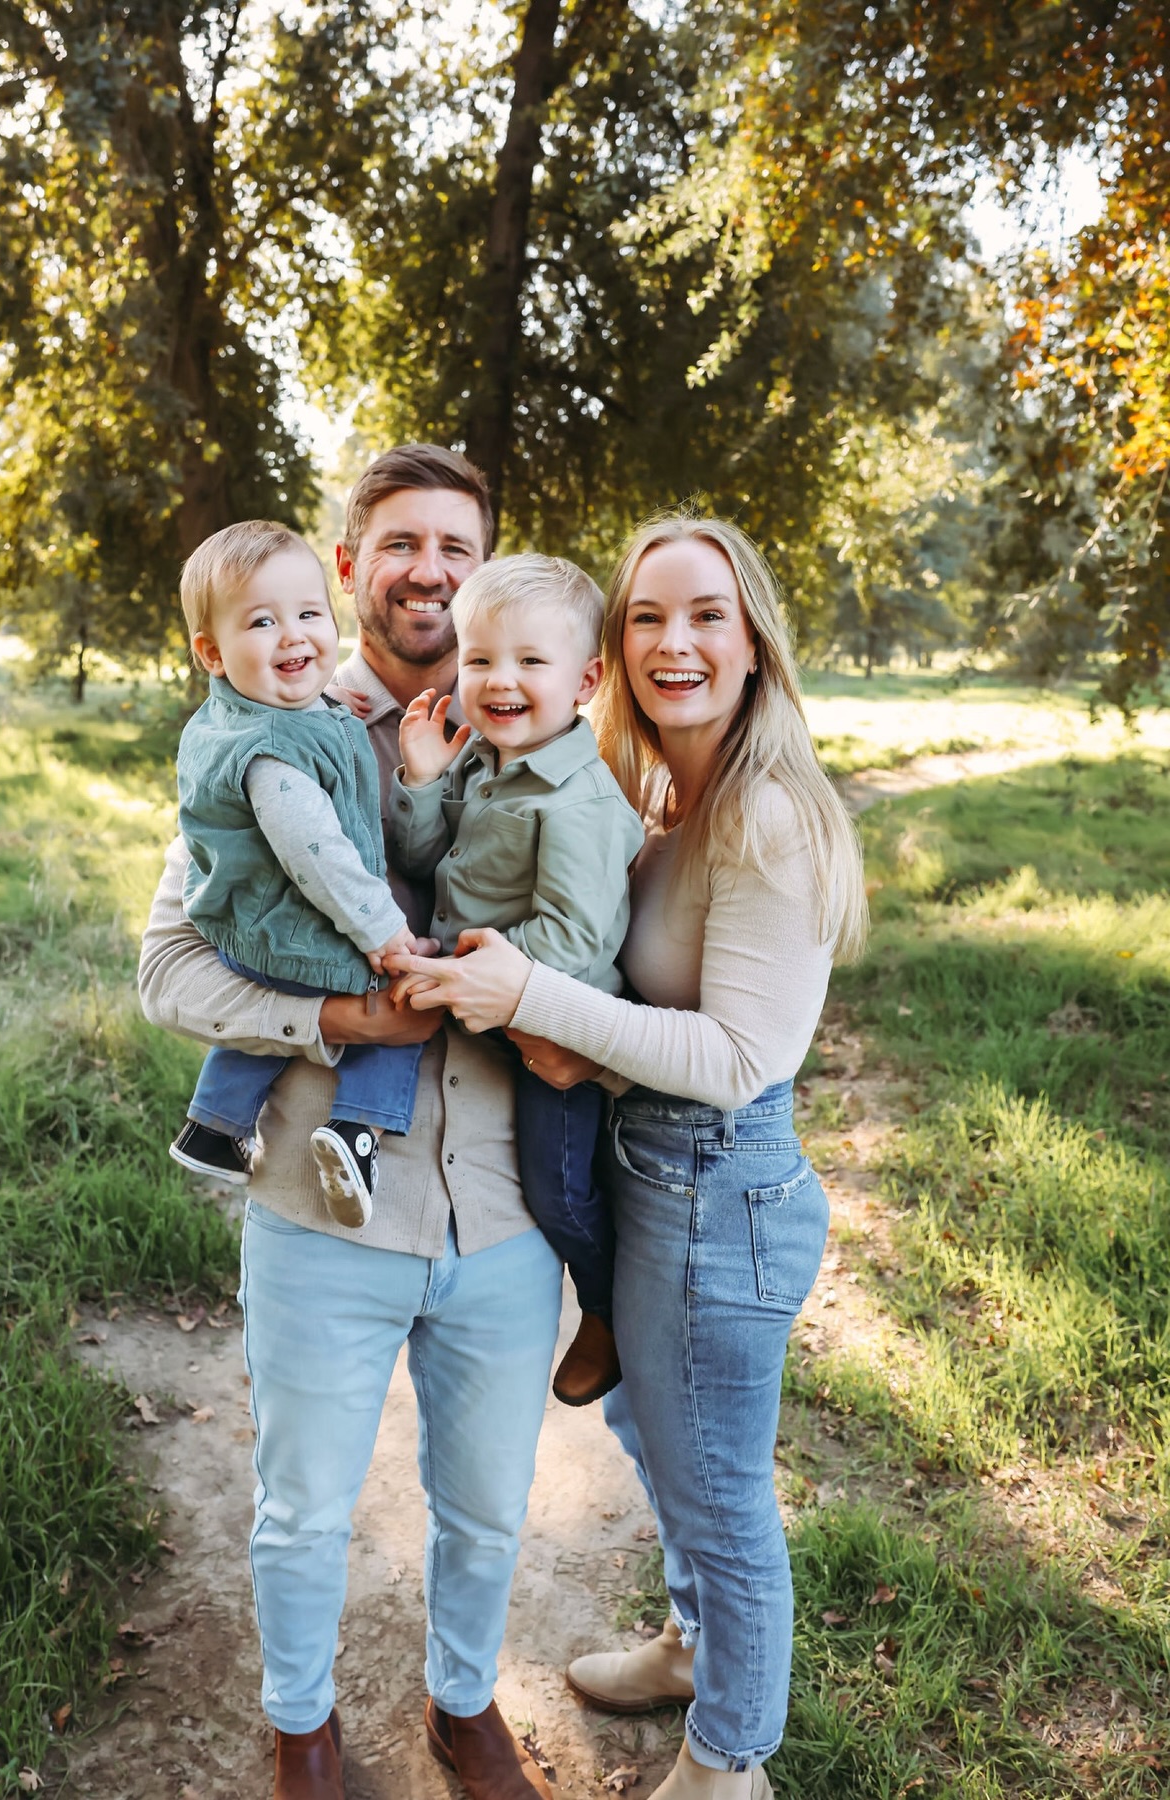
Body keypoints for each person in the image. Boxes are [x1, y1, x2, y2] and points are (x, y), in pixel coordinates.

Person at [387, 513, 869, 1800]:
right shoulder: (669, 798)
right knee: (664, 1449)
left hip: (722, 1187)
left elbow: (733, 1059)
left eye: (706, 613)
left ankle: (731, 1763)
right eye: (647, 617)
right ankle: (694, 1649)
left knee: (720, 1493)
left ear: (755, 637)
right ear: (614, 652)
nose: (675, 642)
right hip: (656, 1171)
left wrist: (533, 1006)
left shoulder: (771, 814)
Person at [138, 445, 562, 1800]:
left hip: (503, 1215)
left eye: (459, 546)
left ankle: (460, 1702)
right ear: (349, 565)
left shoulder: (538, 727)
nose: (431, 570)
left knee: (491, 1507)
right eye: (401, 544)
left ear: (485, 566)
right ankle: (303, 1724)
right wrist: (331, 1024)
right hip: (323, 1211)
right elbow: (172, 967)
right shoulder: (265, 721)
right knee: (304, 1504)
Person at [390, 552, 644, 1404]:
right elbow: (430, 861)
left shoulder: (580, 802)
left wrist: (462, 962)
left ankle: (610, 1310)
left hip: (556, 1031)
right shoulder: (483, 760)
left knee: (559, 1186)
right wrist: (425, 778)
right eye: (479, 660)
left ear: (587, 678)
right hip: (486, 1004)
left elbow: (572, 940)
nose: (500, 680)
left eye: (532, 661)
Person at [168, 518, 431, 1226]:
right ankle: (358, 1130)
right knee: (406, 997)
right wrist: (384, 937)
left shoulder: (237, 718)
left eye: (309, 614)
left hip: (245, 927)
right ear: (212, 653)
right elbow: (317, 854)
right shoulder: (273, 751)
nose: (293, 636)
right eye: (262, 622)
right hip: (288, 927)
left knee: (283, 981)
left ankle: (216, 1126)